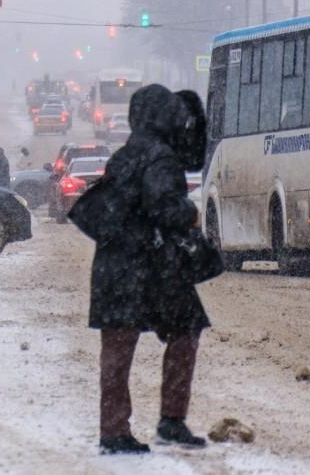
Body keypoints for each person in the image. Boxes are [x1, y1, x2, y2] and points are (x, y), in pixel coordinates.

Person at [90, 85, 210, 455]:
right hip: (150, 268)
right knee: (186, 330)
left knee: (117, 348)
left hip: (113, 266)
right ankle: (171, 420)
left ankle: (113, 429)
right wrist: (189, 213)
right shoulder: (160, 157)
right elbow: (162, 207)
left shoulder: (125, 155)